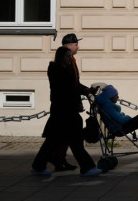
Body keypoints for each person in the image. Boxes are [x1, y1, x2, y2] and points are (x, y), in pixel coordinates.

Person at [31, 46, 102, 177]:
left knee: (53, 141)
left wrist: (87, 91)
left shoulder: (67, 69)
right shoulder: (56, 71)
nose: (70, 59)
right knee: (73, 139)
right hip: (63, 111)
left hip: (65, 111)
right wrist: (80, 98)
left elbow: (75, 86)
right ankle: (87, 167)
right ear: (60, 57)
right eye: (67, 56)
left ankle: (38, 166)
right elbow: (68, 89)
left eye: (70, 56)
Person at [50, 33, 85, 171]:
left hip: (68, 106)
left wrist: (86, 91)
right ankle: (85, 165)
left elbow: (75, 84)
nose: (78, 46)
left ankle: (58, 160)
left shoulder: (72, 61)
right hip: (64, 107)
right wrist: (78, 100)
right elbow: (71, 86)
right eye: (76, 44)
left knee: (60, 137)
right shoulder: (63, 66)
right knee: (67, 136)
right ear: (68, 46)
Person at [95, 84, 138, 150]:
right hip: (119, 129)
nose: (118, 97)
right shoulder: (108, 106)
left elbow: (117, 117)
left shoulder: (107, 105)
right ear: (111, 96)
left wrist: (123, 116)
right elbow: (119, 120)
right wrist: (128, 117)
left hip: (120, 127)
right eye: (116, 95)